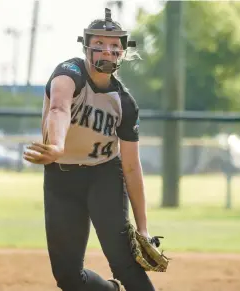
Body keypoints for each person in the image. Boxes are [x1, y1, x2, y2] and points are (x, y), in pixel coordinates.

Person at [23, 8, 156, 291]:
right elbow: (58, 108)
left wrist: (143, 228)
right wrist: (57, 145)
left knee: (124, 262)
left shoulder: (124, 102)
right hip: (61, 177)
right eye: (99, 44)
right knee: (68, 277)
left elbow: (132, 167)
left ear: (122, 53)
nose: (107, 51)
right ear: (86, 47)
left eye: (114, 46)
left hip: (104, 177)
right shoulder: (68, 73)